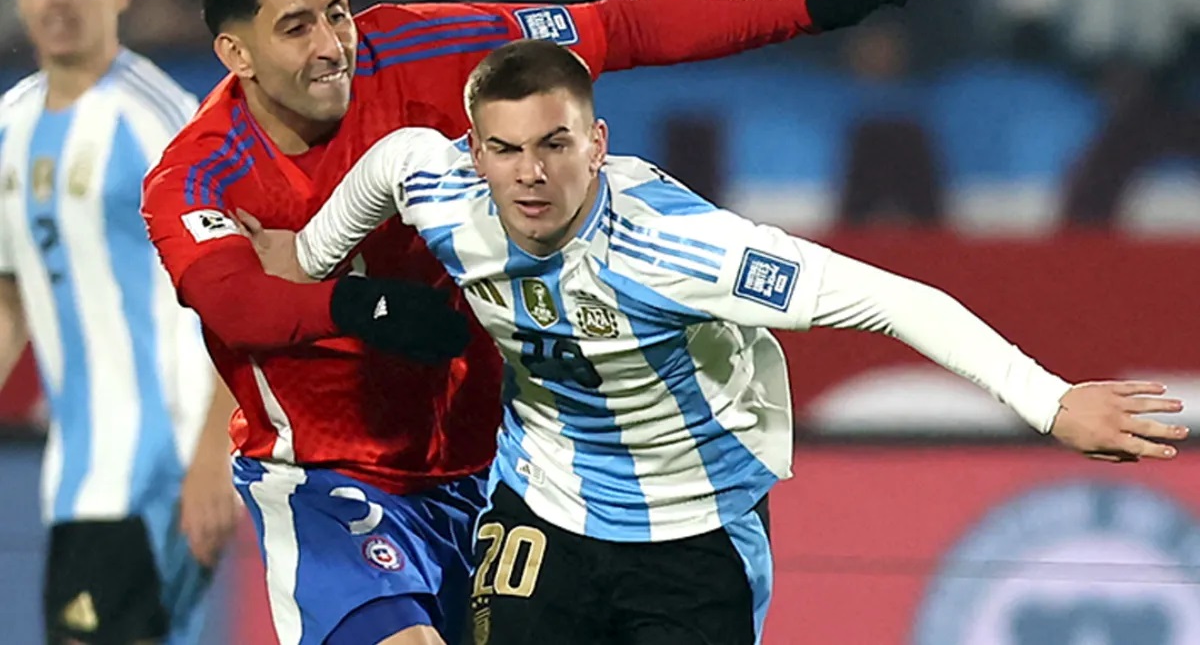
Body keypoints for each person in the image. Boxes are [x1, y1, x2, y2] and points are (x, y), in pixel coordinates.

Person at [243, 38, 1189, 645]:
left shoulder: (682, 249)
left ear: (597, 142)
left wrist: (1049, 401)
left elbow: (894, 300)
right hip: (544, 508)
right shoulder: (431, 181)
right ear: (475, 150)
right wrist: (307, 265)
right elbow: (343, 221)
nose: (530, 175)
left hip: (692, 534)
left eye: (555, 146)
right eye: (506, 149)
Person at [140, 0, 945, 643]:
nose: (331, 45)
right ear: (235, 53)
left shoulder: (429, 48)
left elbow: (619, 29)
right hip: (330, 478)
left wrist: (816, 9)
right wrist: (362, 309)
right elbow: (234, 303)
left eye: (337, 11)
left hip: (503, 471)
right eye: (296, 27)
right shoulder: (196, 173)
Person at [0, 0, 241, 643]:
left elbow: (235, 291)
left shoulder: (161, 118)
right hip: (76, 481)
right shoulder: (10, 125)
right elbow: (11, 293)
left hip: (162, 472)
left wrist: (214, 456)